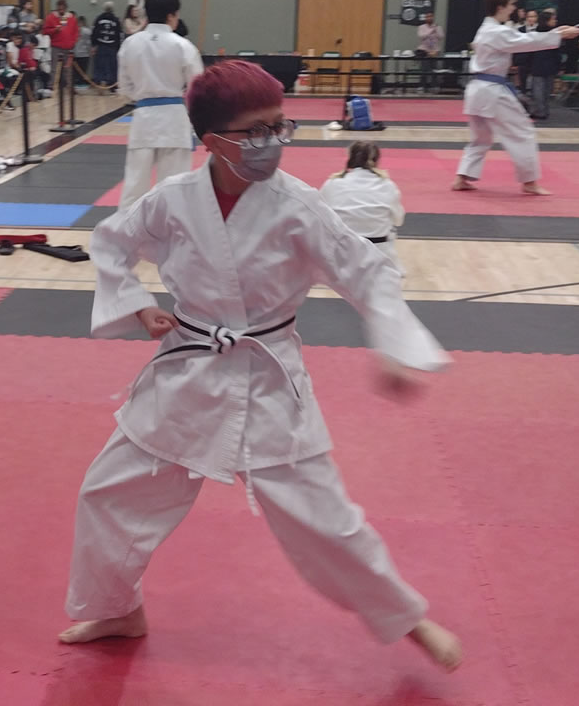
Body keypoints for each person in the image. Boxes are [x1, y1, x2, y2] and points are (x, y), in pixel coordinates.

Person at [58, 59, 462, 672]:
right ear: (212, 140)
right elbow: (112, 242)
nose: (273, 141)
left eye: (280, 125)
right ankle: (117, 607)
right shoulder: (172, 200)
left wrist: (396, 345)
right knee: (109, 491)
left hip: (270, 378)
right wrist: (139, 306)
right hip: (187, 369)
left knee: (326, 521)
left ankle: (408, 618)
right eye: (255, 130)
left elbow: (369, 272)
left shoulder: (299, 205)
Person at [453, 0, 579, 196]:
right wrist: (558, 34)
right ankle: (530, 182)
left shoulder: (488, 29)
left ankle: (462, 177)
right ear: (501, 7)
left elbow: (525, 37)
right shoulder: (496, 31)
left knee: (481, 138)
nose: (514, 9)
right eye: (512, 5)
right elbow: (526, 42)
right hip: (492, 91)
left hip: (478, 90)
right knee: (522, 132)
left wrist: (557, 32)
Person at [116, 0, 203, 210]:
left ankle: (125, 237)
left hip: (143, 118)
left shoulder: (130, 44)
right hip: (174, 119)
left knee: (135, 186)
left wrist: (144, 96)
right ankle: (174, 236)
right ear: (173, 16)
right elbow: (198, 88)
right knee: (176, 186)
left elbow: (124, 87)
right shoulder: (183, 46)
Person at [319, 141, 405, 271]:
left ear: (351, 158)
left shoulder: (332, 183)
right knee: (391, 231)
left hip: (342, 254)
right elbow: (398, 221)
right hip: (379, 254)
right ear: (376, 160)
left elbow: (319, 216)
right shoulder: (388, 185)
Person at [530, 11, 561, 120]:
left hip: (548, 64)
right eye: (553, 19)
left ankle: (543, 110)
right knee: (540, 90)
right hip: (539, 64)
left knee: (546, 90)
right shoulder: (538, 33)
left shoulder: (554, 33)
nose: (555, 21)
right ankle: (541, 110)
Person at [43, 0, 78, 91]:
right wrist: (55, 30)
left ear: (66, 8)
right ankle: (52, 86)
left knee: (68, 68)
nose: (61, 11)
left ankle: (69, 86)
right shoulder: (51, 17)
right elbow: (45, 31)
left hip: (68, 47)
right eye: (59, 9)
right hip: (56, 46)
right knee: (54, 67)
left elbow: (76, 32)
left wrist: (73, 42)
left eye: (63, 9)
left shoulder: (72, 18)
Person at [91, 2, 122, 91]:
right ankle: (112, 85)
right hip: (112, 46)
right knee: (112, 66)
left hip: (100, 45)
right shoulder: (116, 20)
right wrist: (118, 47)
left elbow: (95, 32)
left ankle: (98, 83)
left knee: (99, 65)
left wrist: (94, 45)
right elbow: (118, 34)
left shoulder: (99, 19)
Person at [416, 12, 444, 92]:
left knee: (434, 69)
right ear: (425, 18)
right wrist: (432, 30)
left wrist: (436, 30)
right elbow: (422, 36)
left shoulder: (438, 27)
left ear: (433, 17)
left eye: (430, 16)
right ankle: (422, 86)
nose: (429, 18)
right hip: (424, 51)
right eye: (427, 17)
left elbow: (441, 37)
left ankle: (434, 86)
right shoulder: (421, 27)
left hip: (435, 51)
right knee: (424, 69)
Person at [514, 9, 538, 93]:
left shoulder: (540, 29)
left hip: (536, 59)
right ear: (526, 18)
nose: (531, 18)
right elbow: (517, 45)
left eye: (534, 16)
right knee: (522, 81)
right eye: (529, 16)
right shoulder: (520, 30)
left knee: (536, 82)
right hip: (523, 59)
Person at [73, 16, 92, 90]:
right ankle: (81, 83)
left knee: (76, 71)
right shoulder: (87, 31)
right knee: (83, 70)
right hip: (84, 53)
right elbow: (88, 43)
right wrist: (90, 50)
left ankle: (77, 83)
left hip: (76, 53)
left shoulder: (74, 30)